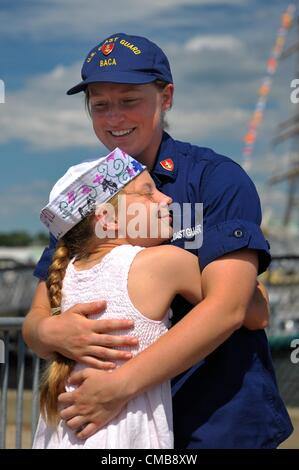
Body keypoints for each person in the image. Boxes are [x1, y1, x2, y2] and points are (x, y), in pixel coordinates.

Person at [23, 33, 293, 448]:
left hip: (217, 423)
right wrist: (52, 335)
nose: (114, 117)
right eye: (100, 105)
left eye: (129, 100)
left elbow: (230, 309)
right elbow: (38, 317)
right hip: (111, 424)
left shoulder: (215, 179)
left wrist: (119, 387)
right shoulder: (85, 194)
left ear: (165, 97)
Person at [32, 148, 269, 449]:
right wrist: (254, 285)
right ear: (107, 218)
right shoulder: (163, 262)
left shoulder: (65, 273)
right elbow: (254, 313)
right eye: (148, 193)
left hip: (66, 431)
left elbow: (34, 326)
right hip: (125, 435)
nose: (166, 199)